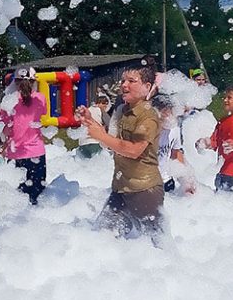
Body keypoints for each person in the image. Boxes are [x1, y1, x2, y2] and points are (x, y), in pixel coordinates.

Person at [77, 65, 164, 238]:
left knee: (155, 246)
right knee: (102, 237)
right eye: (123, 80)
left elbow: (133, 151)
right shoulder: (122, 111)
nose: (124, 85)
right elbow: (112, 143)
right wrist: (91, 122)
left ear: (147, 87)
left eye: (132, 81)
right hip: (121, 188)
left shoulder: (148, 116)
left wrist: (101, 136)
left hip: (144, 190)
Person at [0, 66, 47, 204]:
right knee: (37, 196)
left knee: (18, 196)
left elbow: (6, 129)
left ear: (16, 81)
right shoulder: (40, 98)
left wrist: (2, 147)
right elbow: (42, 113)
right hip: (36, 151)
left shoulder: (9, 101)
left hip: (15, 152)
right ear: (33, 81)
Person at [152, 94, 196, 195]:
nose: (168, 115)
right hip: (147, 182)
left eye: (170, 111)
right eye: (164, 111)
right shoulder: (148, 130)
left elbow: (175, 155)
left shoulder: (175, 130)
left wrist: (186, 180)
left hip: (166, 181)